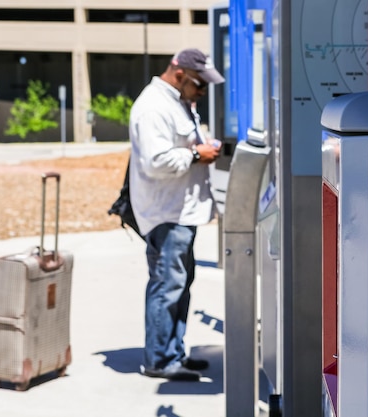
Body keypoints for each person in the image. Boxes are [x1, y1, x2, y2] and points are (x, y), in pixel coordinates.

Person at [128, 48, 225, 381]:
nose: (202, 92)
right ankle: (159, 359)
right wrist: (198, 154)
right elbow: (155, 162)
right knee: (168, 285)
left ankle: (174, 352)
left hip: (180, 211)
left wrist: (199, 147)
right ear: (179, 73)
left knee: (179, 285)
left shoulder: (176, 101)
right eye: (199, 84)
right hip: (166, 213)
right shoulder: (154, 107)